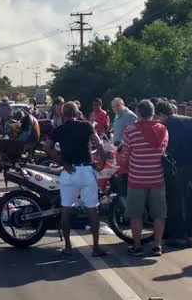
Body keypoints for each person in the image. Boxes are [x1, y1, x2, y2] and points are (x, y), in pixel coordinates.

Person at [43, 101, 108, 258]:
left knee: (66, 209)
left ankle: (67, 246)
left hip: (69, 172)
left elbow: (47, 147)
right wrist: (102, 161)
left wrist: (62, 162)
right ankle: (96, 247)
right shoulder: (86, 126)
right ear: (76, 112)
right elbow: (98, 143)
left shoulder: (59, 130)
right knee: (92, 209)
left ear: (63, 114)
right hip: (86, 170)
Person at [117, 100, 169, 257]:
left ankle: (137, 246)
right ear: (153, 113)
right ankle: (157, 246)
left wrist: (120, 160)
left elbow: (124, 157)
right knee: (159, 214)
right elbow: (163, 149)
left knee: (136, 214)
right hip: (157, 178)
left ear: (138, 113)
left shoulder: (130, 131)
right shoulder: (163, 129)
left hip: (137, 179)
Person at [155, 101, 192, 248]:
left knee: (174, 202)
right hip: (190, 166)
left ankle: (176, 236)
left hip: (172, 168)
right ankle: (191, 235)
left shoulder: (163, 126)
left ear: (161, 114)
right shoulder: (190, 121)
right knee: (190, 201)